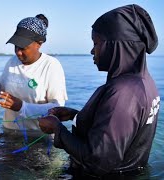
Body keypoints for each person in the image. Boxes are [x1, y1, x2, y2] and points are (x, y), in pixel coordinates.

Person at [38, 4, 159, 178]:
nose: (92, 51)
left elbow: (98, 161)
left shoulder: (122, 92)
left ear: (115, 46)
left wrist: (58, 129)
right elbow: (117, 126)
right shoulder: (144, 82)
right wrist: (76, 115)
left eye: (96, 43)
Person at [0, 14, 68, 135]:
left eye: (23, 47)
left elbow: (58, 108)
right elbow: (0, 91)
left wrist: (22, 107)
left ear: (39, 43)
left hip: (38, 136)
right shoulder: (12, 62)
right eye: (16, 46)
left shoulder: (51, 65)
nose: (18, 52)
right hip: (10, 132)